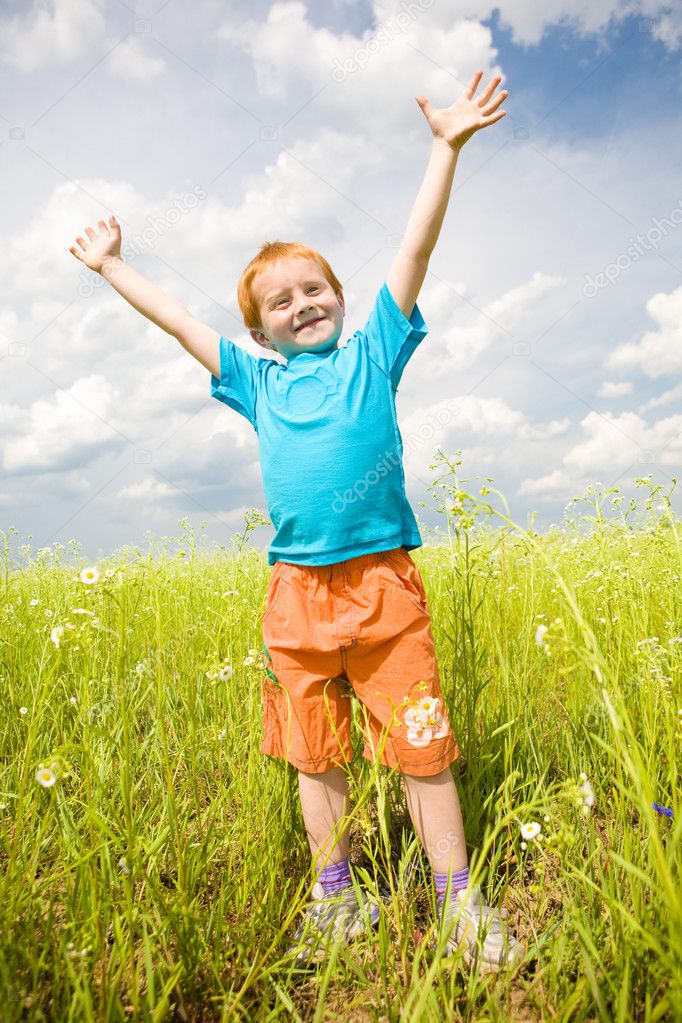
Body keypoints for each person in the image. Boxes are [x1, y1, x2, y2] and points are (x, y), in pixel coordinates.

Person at [69, 70, 524, 972]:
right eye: (280, 302)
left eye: (314, 288)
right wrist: (115, 265)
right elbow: (180, 323)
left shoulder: (375, 355)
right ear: (263, 333)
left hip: (384, 585)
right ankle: (336, 898)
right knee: (316, 757)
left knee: (423, 748)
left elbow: (415, 252)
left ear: (341, 300)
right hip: (297, 599)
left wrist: (443, 149)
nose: (302, 303)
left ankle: (458, 900)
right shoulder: (258, 381)